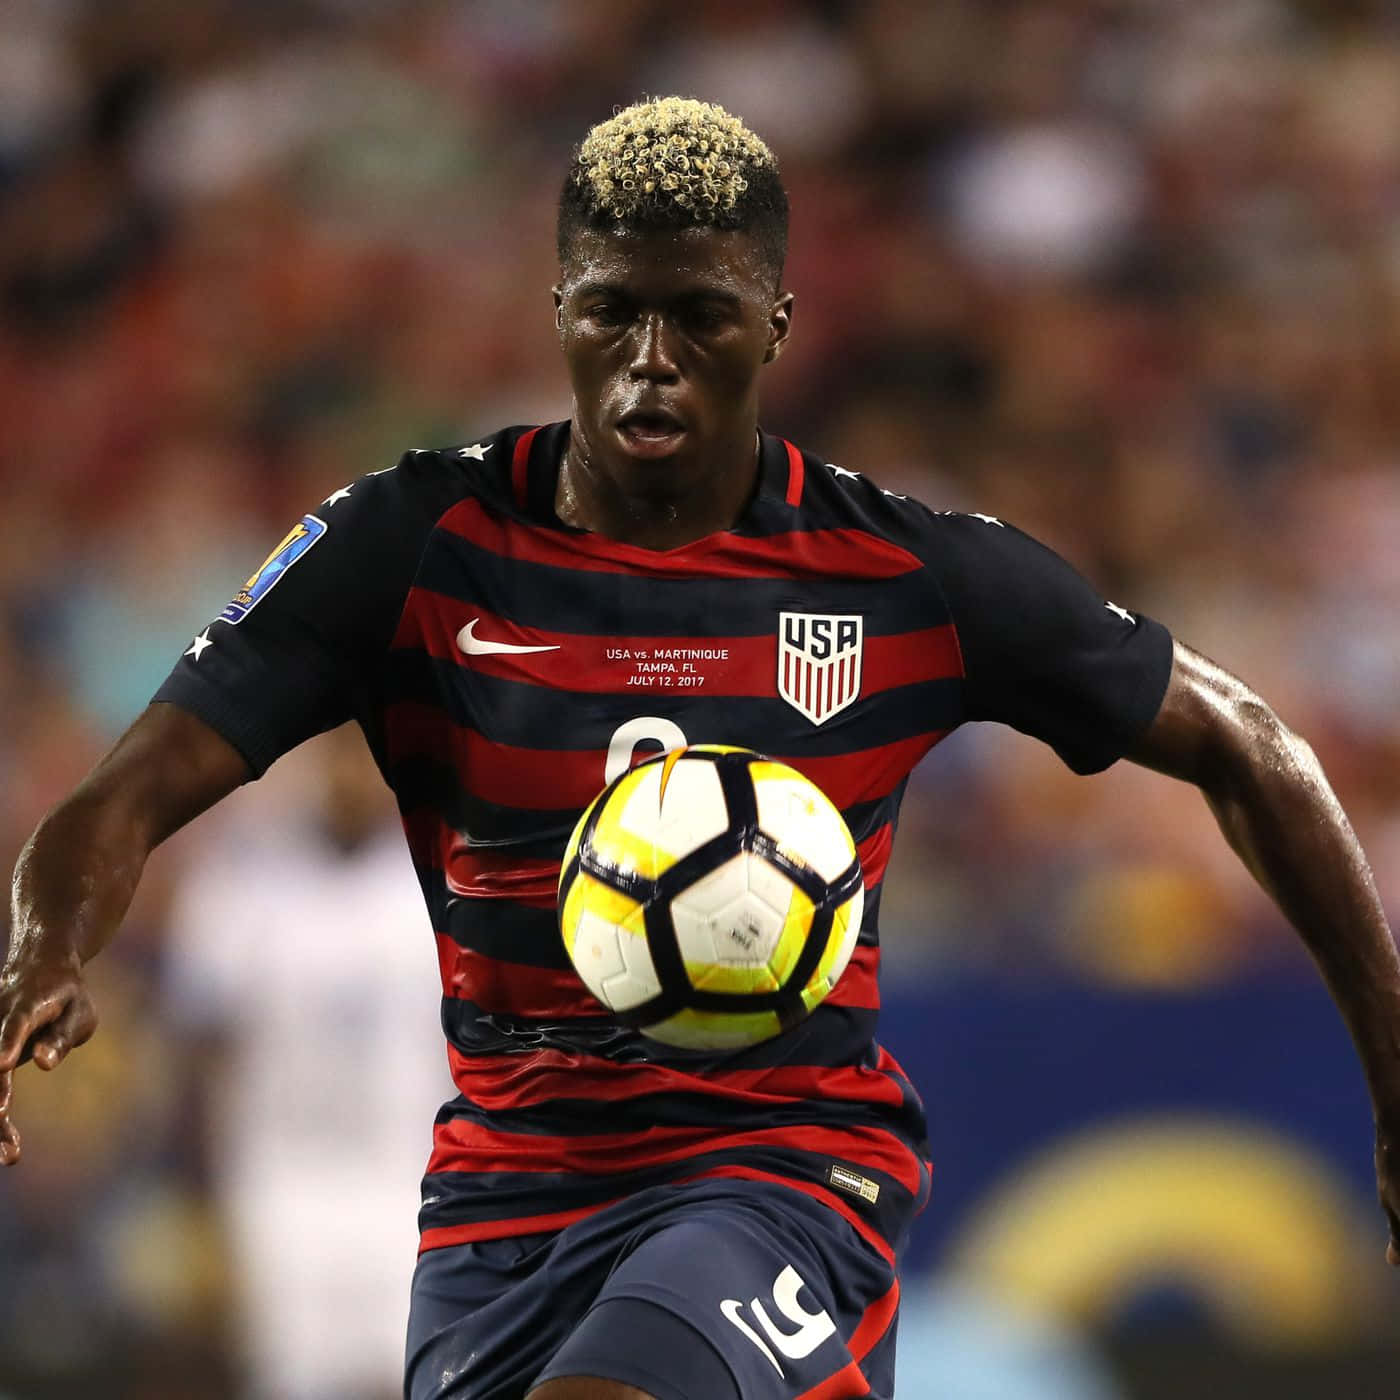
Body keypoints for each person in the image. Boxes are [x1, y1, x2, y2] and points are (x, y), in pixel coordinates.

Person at [2, 95, 1397, 1400]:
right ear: (559, 306)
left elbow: (1252, 747)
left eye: (701, 316)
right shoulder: (410, 549)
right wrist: (43, 948)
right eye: (613, 311)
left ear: (780, 319)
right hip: (505, 1204)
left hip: (784, 1175)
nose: (651, 360)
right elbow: (123, 796)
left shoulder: (904, 573)